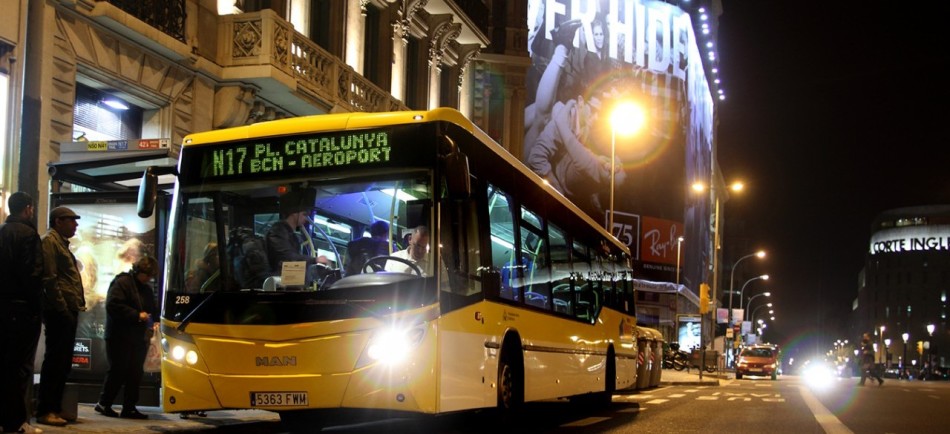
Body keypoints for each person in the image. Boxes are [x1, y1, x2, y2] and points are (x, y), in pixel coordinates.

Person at [0, 192, 45, 434]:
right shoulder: (28, 235)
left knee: (5, 365)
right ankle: (16, 422)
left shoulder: (1, 232)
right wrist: (37, 308)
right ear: (28, 208)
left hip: (2, 308)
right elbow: (32, 275)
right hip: (22, 309)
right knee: (20, 367)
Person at [37, 206, 85, 427]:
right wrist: (62, 308)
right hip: (59, 311)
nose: (75, 225)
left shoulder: (62, 243)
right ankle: (45, 410)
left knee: (63, 363)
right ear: (58, 221)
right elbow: (50, 278)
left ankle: (55, 407)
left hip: (68, 309)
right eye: (71, 220)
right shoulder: (50, 241)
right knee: (55, 362)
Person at [94, 256, 159, 419]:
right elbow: (113, 305)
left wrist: (155, 321)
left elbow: (152, 308)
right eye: (148, 275)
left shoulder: (145, 288)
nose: (149, 279)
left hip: (137, 337)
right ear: (139, 271)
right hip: (118, 336)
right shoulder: (122, 283)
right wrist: (137, 315)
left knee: (135, 373)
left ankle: (129, 407)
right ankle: (104, 403)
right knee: (118, 370)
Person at [266, 189, 318, 275]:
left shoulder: (291, 235)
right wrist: (315, 260)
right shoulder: (277, 233)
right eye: (304, 214)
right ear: (294, 213)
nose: (306, 219)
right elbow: (289, 257)